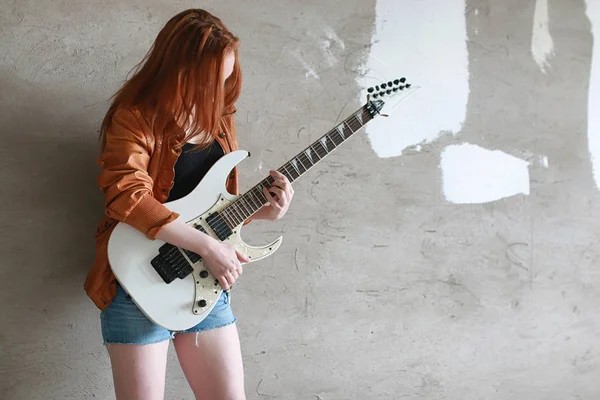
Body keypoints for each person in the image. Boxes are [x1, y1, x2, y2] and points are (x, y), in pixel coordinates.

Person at [84, 9, 294, 400]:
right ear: (178, 69)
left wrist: (267, 211)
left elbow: (214, 210)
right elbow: (127, 197)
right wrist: (208, 247)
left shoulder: (220, 119)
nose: (220, 87)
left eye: (226, 76)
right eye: (211, 78)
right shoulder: (133, 118)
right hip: (139, 282)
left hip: (204, 282)